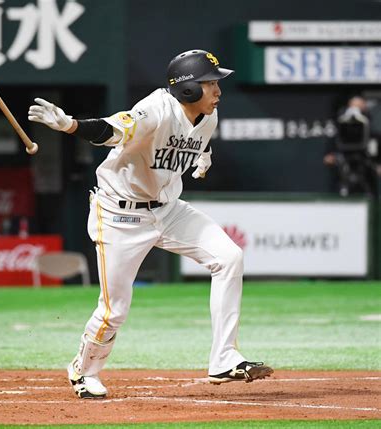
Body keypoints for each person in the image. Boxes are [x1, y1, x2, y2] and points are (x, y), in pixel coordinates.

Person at [28, 49, 273, 399]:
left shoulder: (208, 117)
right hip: (120, 215)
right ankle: (84, 371)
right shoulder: (155, 110)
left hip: (168, 209)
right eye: (211, 83)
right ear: (188, 89)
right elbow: (112, 131)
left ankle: (224, 358)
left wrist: (203, 158)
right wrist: (70, 125)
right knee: (115, 310)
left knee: (229, 257)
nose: (219, 91)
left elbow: (198, 143)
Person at [324, 96, 379, 197]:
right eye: (353, 107)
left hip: (367, 176)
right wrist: (332, 157)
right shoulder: (339, 134)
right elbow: (328, 156)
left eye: (359, 108)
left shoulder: (372, 135)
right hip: (344, 175)